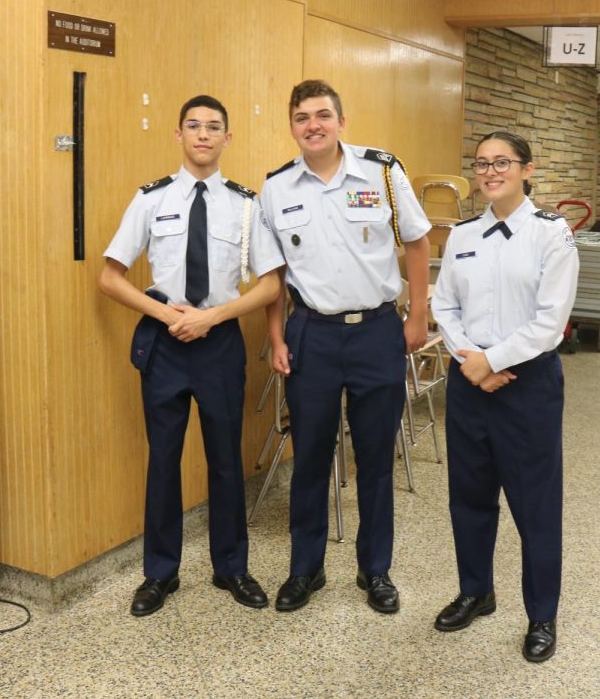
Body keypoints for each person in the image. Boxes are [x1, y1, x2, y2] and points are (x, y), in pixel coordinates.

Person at [99, 95, 284, 617]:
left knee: (226, 461)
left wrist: (210, 317)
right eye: (194, 126)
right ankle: (159, 574)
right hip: (164, 344)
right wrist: (167, 316)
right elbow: (110, 277)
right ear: (178, 135)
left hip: (219, 342)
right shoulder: (151, 199)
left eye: (214, 127)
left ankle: (232, 568)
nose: (203, 135)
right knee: (163, 461)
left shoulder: (247, 205)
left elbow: (270, 286)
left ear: (228, 139)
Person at [260, 79, 431, 614]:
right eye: (302, 117)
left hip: (377, 330)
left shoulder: (382, 170)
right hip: (310, 332)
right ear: (292, 126)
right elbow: (274, 273)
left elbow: (417, 241)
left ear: (341, 120)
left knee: (375, 458)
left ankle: (374, 570)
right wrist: (274, 337)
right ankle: (305, 571)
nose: (313, 125)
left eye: (322, 115)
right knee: (309, 456)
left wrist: (418, 314)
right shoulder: (277, 187)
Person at [429, 130, 579, 663]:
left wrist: (490, 362)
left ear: (527, 170)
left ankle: (542, 615)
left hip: (527, 386)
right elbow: (443, 305)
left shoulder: (551, 235)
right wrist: (471, 360)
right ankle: (476, 591)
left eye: (503, 163)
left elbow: (550, 321)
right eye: (482, 164)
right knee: (468, 498)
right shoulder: (463, 234)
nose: (491, 172)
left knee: (535, 506)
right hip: (471, 384)